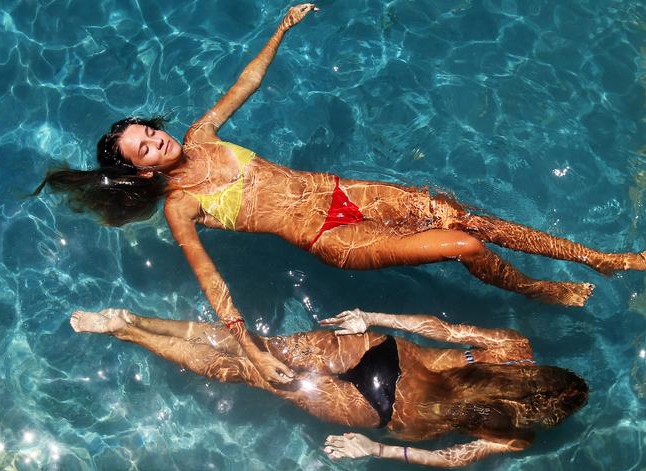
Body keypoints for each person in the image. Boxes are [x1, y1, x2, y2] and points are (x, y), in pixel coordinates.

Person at [36, 4, 645, 383]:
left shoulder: (202, 133)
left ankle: (600, 259)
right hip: (334, 236)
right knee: (461, 243)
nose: (157, 141)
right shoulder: (180, 206)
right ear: (142, 174)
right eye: (146, 149)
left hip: (345, 191)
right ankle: (538, 289)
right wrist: (254, 352)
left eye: (150, 132)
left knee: (471, 218)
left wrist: (281, 26)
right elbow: (211, 282)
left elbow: (246, 81)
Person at [69, 307, 588, 468]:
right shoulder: (519, 437)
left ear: (541, 373)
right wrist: (378, 450)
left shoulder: (513, 349)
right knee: (243, 372)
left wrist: (372, 318)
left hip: (384, 354)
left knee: (257, 346)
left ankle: (133, 319)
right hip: (379, 410)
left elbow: (440, 330)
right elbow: (451, 459)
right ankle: (130, 333)